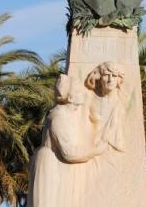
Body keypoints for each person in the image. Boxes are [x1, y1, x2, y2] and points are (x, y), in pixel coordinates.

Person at [27, 75, 107, 207]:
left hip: (53, 164)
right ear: (70, 98)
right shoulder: (59, 116)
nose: (81, 103)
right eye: (79, 94)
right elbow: (69, 152)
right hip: (48, 165)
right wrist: (95, 150)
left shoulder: (65, 115)